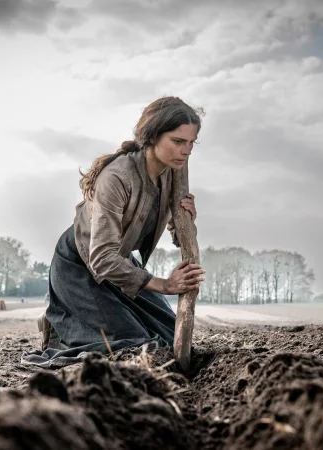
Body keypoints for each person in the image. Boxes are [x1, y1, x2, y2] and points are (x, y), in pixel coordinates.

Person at [22, 96, 205, 369]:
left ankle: (74, 319)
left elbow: (175, 236)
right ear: (152, 136)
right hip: (80, 263)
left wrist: (185, 221)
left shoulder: (172, 173)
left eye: (191, 143)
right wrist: (165, 285)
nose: (186, 151)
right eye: (178, 141)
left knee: (171, 335)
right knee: (132, 346)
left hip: (118, 261)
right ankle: (60, 322)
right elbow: (101, 258)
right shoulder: (117, 178)